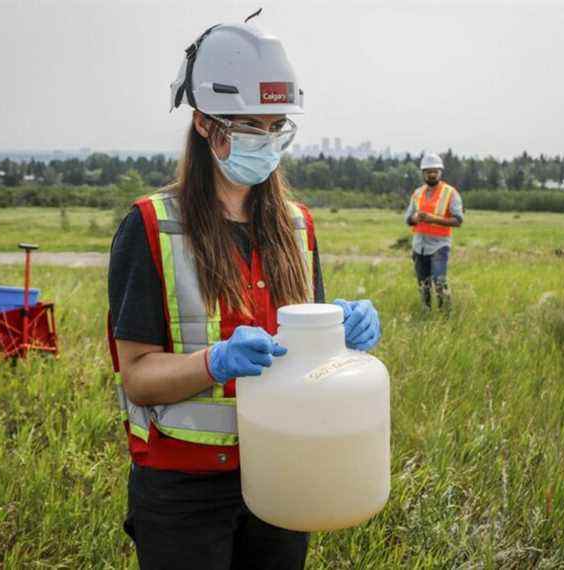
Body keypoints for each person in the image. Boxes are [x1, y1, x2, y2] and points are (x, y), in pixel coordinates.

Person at [106, 16, 382, 570]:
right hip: (181, 489)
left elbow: (312, 362)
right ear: (206, 124)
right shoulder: (151, 227)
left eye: (277, 123)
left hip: (281, 469)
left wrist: (341, 337)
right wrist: (214, 363)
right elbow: (136, 377)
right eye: (250, 124)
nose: (267, 139)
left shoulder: (297, 226)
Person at [403, 153, 464, 312]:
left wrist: (432, 219)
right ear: (423, 173)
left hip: (439, 246)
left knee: (439, 282)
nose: (431, 174)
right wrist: (415, 218)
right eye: (428, 171)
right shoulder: (417, 193)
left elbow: (458, 220)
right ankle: (426, 313)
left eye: (434, 171)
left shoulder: (450, 193)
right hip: (419, 246)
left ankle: (445, 317)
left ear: (440, 172)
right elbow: (407, 218)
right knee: (423, 285)